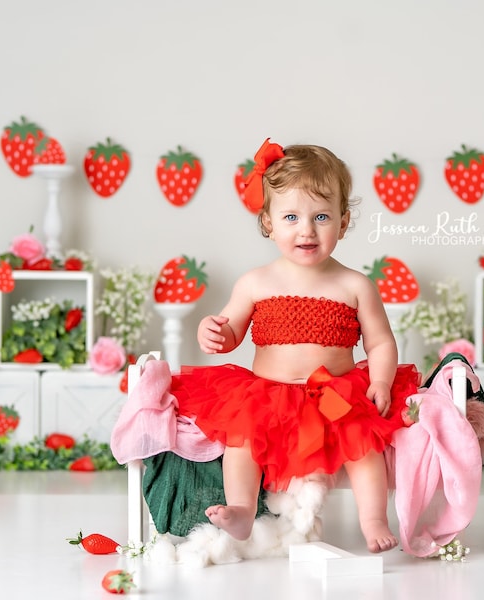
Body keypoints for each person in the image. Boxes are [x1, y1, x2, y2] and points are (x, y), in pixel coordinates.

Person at [170, 138, 420, 553]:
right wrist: (213, 332)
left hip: (332, 391)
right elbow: (230, 330)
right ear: (268, 222)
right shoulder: (254, 282)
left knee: (363, 445)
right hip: (268, 395)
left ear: (343, 222)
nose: (307, 230)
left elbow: (380, 342)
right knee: (242, 441)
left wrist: (380, 380)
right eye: (291, 216)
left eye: (321, 216)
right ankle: (242, 511)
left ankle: (373, 518)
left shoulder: (354, 284)